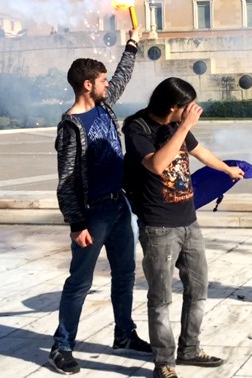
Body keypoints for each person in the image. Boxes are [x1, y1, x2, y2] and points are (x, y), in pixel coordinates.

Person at [122, 77, 244, 378]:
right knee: (161, 297)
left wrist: (227, 169)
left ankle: (189, 348)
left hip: (188, 221)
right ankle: (164, 362)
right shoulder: (137, 127)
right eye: (185, 107)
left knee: (198, 288)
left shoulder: (176, 126)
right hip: (158, 227)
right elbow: (157, 164)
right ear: (173, 107)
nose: (191, 111)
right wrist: (185, 126)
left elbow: (198, 150)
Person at [50, 28, 151, 375]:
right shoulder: (71, 127)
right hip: (92, 214)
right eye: (103, 81)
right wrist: (76, 223)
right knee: (80, 281)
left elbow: (122, 77)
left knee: (125, 274)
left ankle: (124, 334)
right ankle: (61, 346)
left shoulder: (105, 106)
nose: (110, 85)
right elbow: (65, 182)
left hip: (119, 207)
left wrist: (133, 44)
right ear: (87, 85)